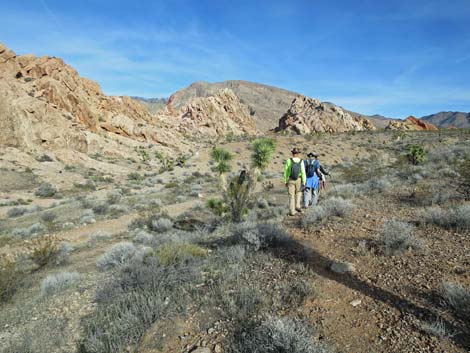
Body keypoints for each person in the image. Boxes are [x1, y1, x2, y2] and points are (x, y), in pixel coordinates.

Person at [284, 147, 306, 216]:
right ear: (298, 153)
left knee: (291, 195)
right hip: (299, 179)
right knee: (299, 192)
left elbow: (286, 171)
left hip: (290, 179)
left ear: (292, 153)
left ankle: (292, 211)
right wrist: (304, 181)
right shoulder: (301, 161)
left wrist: (285, 180)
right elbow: (303, 171)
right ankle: (297, 205)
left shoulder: (289, 160)